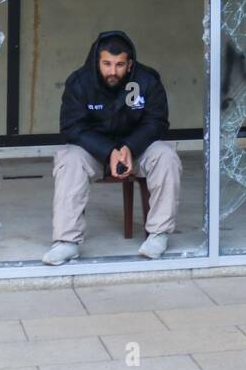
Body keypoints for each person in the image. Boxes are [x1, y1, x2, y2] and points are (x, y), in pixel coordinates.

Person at [43, 30, 181, 264]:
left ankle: (159, 234)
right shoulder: (79, 82)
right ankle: (66, 242)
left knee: (166, 155)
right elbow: (71, 127)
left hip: (136, 150)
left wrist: (130, 147)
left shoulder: (147, 80)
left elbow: (157, 122)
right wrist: (109, 151)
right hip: (94, 152)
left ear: (130, 64)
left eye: (119, 65)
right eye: (106, 63)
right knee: (69, 159)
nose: (112, 71)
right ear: (98, 61)